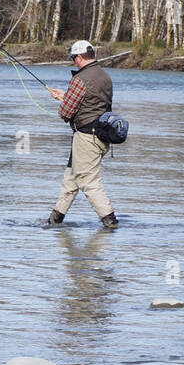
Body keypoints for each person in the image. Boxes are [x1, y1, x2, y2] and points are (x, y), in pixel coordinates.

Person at [43, 40, 118, 229]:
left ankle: (110, 222)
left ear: (79, 57)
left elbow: (65, 113)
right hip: (100, 136)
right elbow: (92, 103)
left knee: (88, 181)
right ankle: (54, 220)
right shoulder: (104, 76)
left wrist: (63, 100)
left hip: (86, 138)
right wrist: (66, 96)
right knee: (70, 179)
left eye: (73, 59)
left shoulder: (80, 79)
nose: (73, 62)